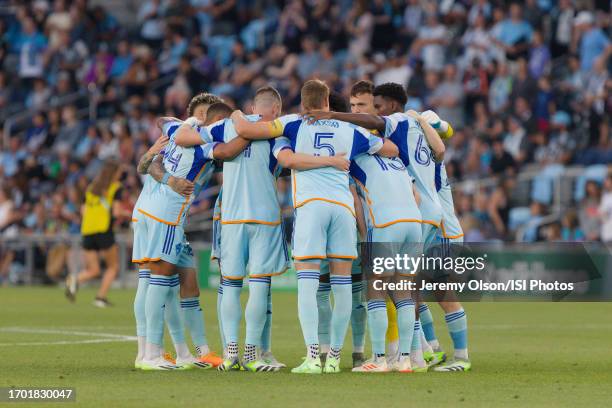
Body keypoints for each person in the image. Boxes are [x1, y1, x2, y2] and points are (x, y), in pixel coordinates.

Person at [175, 86, 351, 372]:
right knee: (258, 287)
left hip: (232, 219)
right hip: (265, 218)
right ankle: (252, 354)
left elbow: (183, 138)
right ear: (276, 111)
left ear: (254, 106)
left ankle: (230, 353)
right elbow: (292, 161)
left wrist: (215, 145)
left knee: (230, 285)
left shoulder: (225, 126)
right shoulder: (276, 134)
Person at [233, 79, 399, 374]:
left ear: (303, 102)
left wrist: (235, 114)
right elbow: (391, 149)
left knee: (308, 285)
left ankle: (313, 356)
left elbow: (248, 132)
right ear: (327, 101)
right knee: (343, 283)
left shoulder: (291, 125)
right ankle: (335, 357)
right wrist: (341, 158)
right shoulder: (352, 130)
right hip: (343, 209)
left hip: (311, 208)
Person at [66, 160, 122, 307]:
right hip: (104, 230)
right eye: (119, 172)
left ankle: (74, 280)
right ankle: (100, 298)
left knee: (94, 270)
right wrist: (129, 213)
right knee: (113, 267)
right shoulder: (115, 188)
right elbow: (116, 212)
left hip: (87, 231)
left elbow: (83, 210)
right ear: (114, 173)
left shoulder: (91, 188)